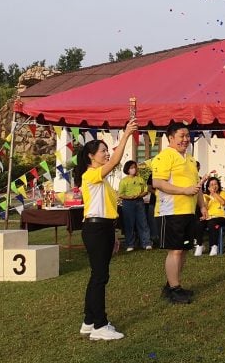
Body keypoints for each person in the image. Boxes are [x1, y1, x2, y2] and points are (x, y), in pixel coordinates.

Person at [75, 119, 137, 340]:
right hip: (96, 229)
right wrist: (126, 134)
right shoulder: (91, 174)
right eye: (103, 151)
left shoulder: (101, 179)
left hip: (103, 229)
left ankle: (89, 321)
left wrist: (114, 235)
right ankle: (100, 326)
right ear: (91, 156)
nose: (107, 154)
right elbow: (118, 159)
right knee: (100, 276)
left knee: (98, 276)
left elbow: (108, 209)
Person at [151, 122, 206, 304]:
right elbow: (158, 183)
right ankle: (174, 289)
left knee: (183, 250)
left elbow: (196, 186)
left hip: (188, 210)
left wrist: (202, 206)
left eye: (187, 136)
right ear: (171, 138)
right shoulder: (164, 156)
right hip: (170, 211)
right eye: (181, 136)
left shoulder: (189, 159)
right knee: (174, 250)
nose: (185, 139)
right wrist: (184, 191)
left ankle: (172, 284)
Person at [118, 160, 152, 251]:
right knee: (129, 224)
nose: (134, 169)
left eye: (135, 167)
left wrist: (140, 195)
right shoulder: (123, 181)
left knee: (143, 222)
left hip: (139, 202)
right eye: (132, 167)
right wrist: (129, 197)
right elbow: (120, 194)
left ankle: (146, 243)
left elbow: (145, 190)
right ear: (127, 169)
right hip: (127, 203)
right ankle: (130, 244)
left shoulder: (140, 179)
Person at [197, 176, 225, 256]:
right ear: (208, 187)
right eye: (211, 185)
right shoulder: (206, 196)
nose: (214, 186)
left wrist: (214, 194)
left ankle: (214, 246)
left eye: (215, 184)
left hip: (221, 217)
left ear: (218, 185)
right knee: (198, 224)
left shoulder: (223, 193)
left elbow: (223, 203)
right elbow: (205, 209)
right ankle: (199, 245)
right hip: (209, 217)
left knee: (212, 223)